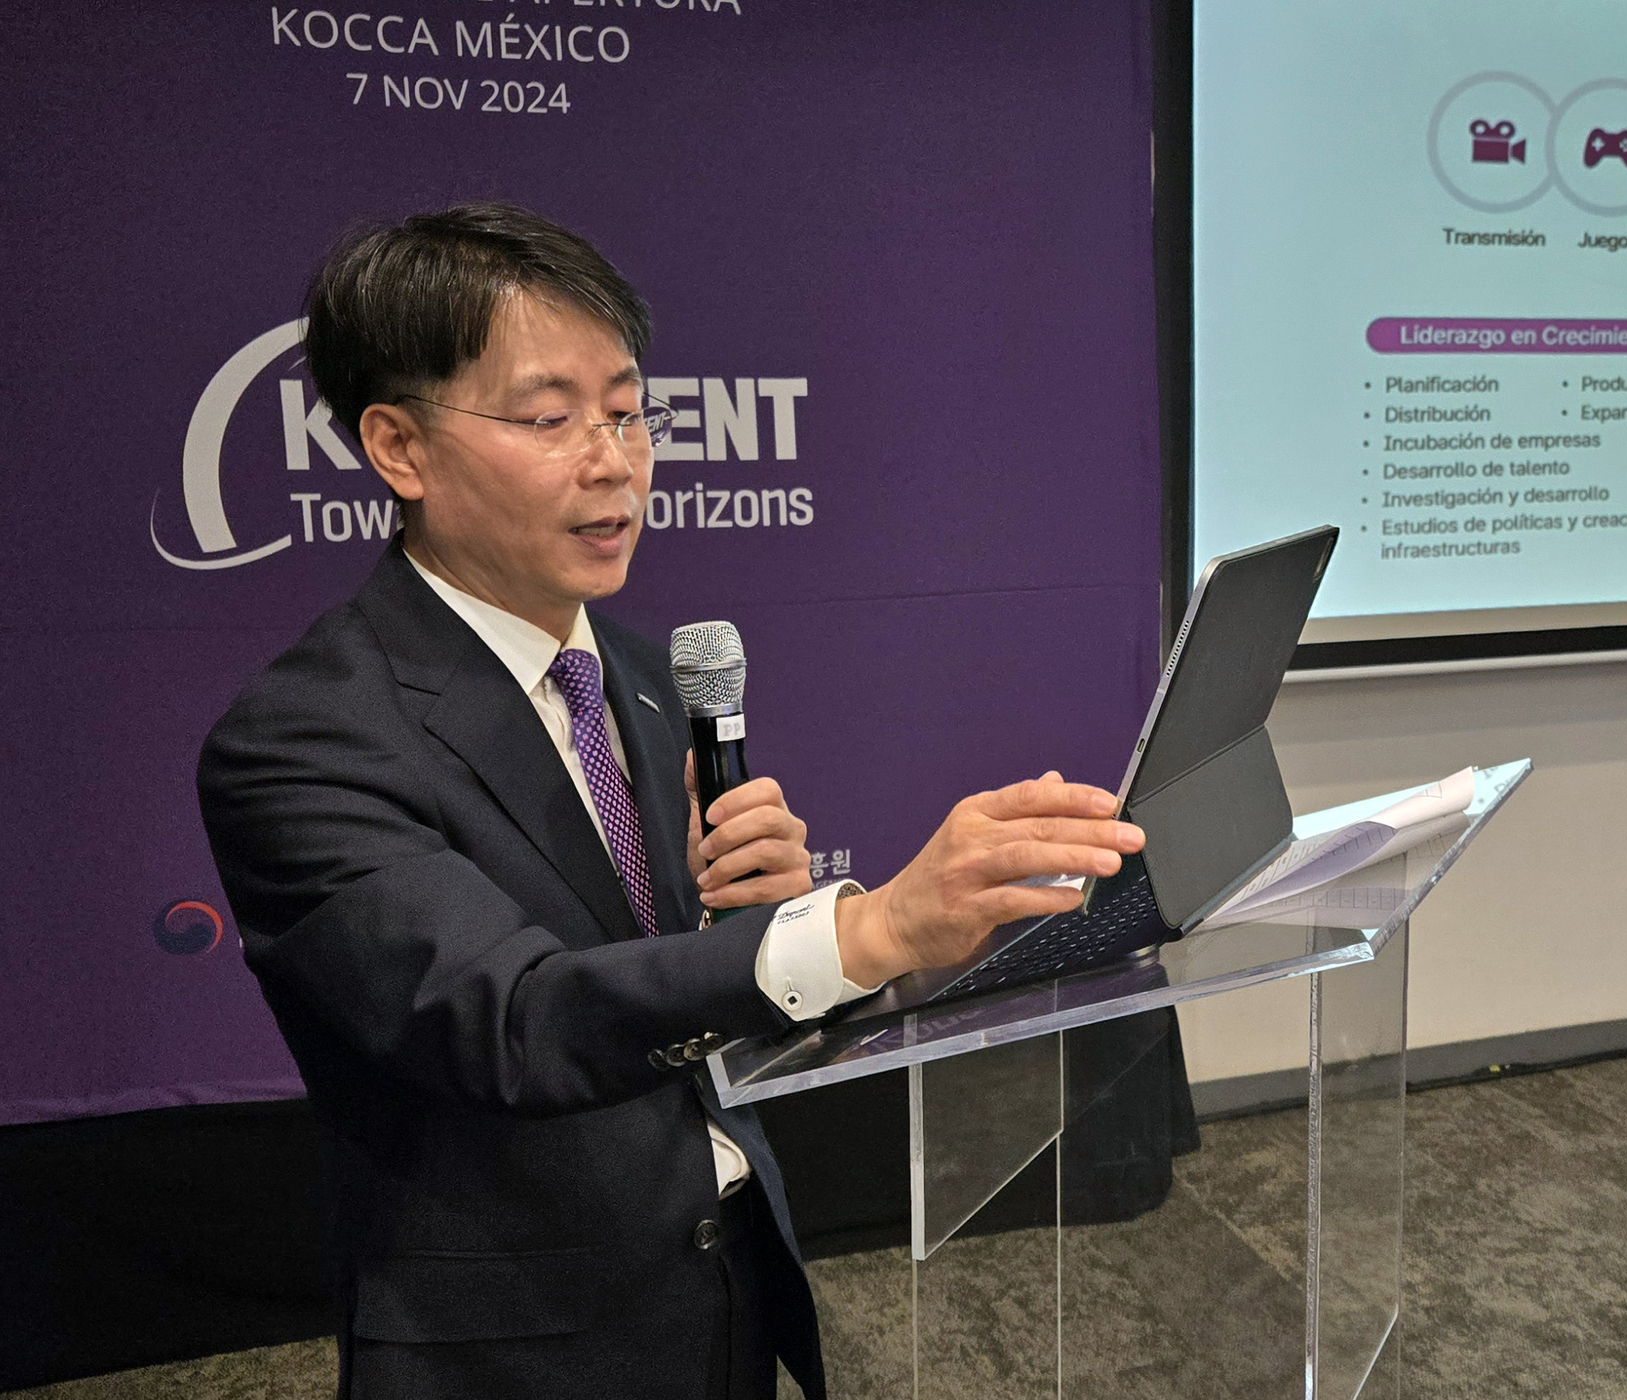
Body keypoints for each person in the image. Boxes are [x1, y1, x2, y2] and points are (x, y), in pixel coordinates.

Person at [196, 202, 1146, 1400]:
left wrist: (778, 929)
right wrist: (865, 926)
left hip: (726, 1284)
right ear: (399, 448)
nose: (613, 458)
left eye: (628, 409)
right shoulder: (304, 735)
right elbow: (517, 1018)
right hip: (521, 1342)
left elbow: (678, 994)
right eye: (549, 418)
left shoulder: (644, 675)